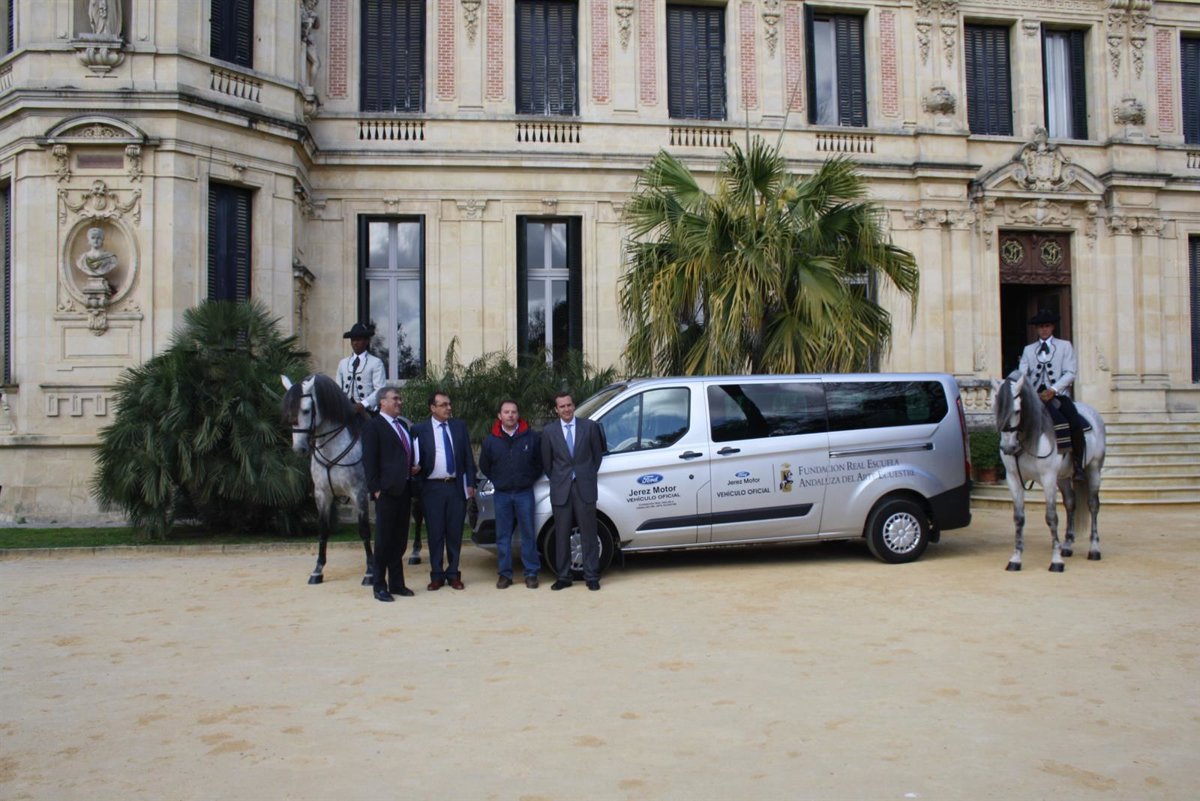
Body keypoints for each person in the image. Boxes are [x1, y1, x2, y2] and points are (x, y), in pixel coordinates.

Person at [541, 391, 607, 591]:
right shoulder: (549, 432)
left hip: (585, 487)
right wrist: (561, 479)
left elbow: (597, 457)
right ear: (556, 409)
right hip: (561, 489)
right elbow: (547, 463)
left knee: (589, 533)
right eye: (562, 406)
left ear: (574, 405)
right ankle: (563, 577)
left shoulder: (590, 427)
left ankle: (591, 576)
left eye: (569, 405)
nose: (566, 409)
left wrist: (585, 474)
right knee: (561, 535)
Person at [412, 391, 476, 591]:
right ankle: (437, 575)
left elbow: (468, 457)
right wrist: (416, 474)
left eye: (449, 404)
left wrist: (471, 483)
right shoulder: (419, 429)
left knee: (455, 532)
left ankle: (454, 574)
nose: (448, 408)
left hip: (456, 486)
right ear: (432, 408)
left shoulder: (459, 427)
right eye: (443, 405)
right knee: (435, 533)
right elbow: (415, 458)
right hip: (432, 488)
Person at [362, 387, 419, 602]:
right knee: (384, 540)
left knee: (400, 540)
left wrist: (411, 468)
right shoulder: (373, 426)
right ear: (382, 402)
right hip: (386, 491)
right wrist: (375, 489)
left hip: (404, 489)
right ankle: (379, 585)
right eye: (395, 398)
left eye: (400, 398)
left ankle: (397, 583)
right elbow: (369, 460)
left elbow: (401, 455)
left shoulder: (402, 426)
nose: (399, 402)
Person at [478, 399, 542, 589]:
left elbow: (539, 462)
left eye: (513, 412)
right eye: (506, 412)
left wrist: (528, 478)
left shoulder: (531, 437)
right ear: (500, 416)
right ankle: (505, 575)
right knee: (503, 536)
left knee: (528, 534)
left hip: (524, 493)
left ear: (518, 414)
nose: (510, 415)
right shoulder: (491, 441)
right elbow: (485, 465)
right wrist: (499, 480)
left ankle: (531, 573)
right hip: (502, 494)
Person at [1018, 309, 1086, 480]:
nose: (1044, 329)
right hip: (1034, 397)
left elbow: (1070, 372)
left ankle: (1078, 464)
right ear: (1037, 329)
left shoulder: (1065, 346)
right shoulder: (1028, 350)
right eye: (1041, 327)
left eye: (1047, 326)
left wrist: (1053, 390)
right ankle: (1013, 460)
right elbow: (1023, 374)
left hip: (1057, 395)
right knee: (1013, 421)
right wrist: (1029, 392)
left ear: (1052, 327)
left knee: (1074, 423)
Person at [335, 323, 386, 415]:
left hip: (368, 411)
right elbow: (337, 389)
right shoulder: (343, 363)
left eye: (358, 339)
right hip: (346, 410)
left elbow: (380, 390)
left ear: (366, 341)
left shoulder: (376, 363)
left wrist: (363, 404)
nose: (355, 343)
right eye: (353, 340)